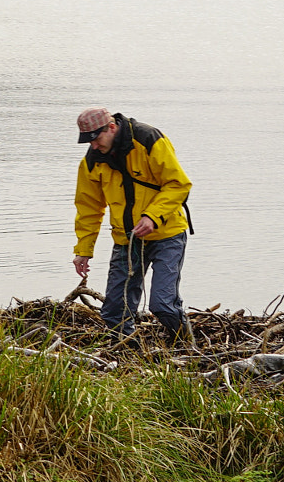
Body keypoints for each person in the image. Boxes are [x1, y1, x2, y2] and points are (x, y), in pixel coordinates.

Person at [71, 106, 194, 343]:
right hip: (126, 241)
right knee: (114, 311)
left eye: (95, 138)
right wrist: (83, 251)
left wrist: (152, 217)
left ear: (112, 127)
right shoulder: (92, 161)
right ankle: (128, 352)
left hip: (167, 235)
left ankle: (186, 346)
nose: (93, 146)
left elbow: (179, 184)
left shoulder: (148, 139)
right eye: (88, 141)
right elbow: (88, 208)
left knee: (163, 305)